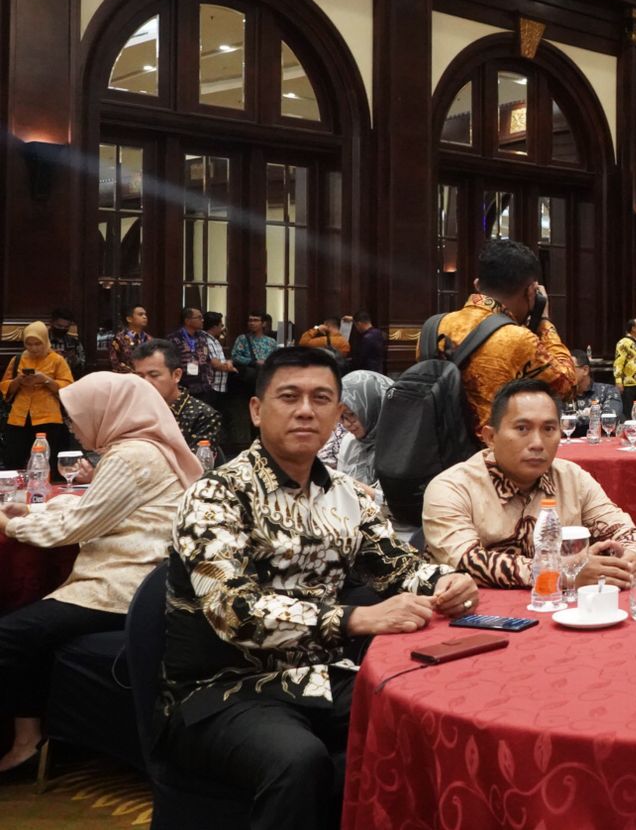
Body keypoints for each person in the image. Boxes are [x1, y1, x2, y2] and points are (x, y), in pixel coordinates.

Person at [160, 346, 476, 830]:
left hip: (321, 676)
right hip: (220, 689)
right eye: (289, 397)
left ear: (336, 413)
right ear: (256, 410)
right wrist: (354, 618)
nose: (306, 410)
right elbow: (233, 610)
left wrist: (447, 580)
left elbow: (397, 566)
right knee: (298, 760)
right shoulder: (216, 495)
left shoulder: (346, 493)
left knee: (426, 717)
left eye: (321, 398)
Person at [0, 373, 200, 775]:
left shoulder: (131, 456)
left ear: (106, 411)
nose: (72, 426)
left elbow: (77, 527)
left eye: (75, 415)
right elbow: (99, 508)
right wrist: (35, 511)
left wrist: (10, 525)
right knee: (31, 629)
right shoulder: (147, 448)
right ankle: (40, 737)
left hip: (121, 588)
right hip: (143, 583)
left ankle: (26, 742)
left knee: (11, 634)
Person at [423, 379, 636, 587]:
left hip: (564, 611)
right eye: (522, 428)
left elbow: (626, 532)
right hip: (480, 613)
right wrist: (560, 572)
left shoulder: (572, 478)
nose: (538, 443)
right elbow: (466, 561)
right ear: (490, 437)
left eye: (548, 429)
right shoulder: (451, 487)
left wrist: (631, 558)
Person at [426, 238, 576, 435]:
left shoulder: (434, 326)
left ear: (477, 285)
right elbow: (567, 385)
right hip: (490, 450)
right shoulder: (518, 339)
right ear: (531, 291)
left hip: (435, 447)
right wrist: (544, 320)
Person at [130, 339, 224, 458]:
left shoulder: (203, 415)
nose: (146, 382)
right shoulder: (131, 409)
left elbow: (195, 463)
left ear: (176, 375)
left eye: (154, 375)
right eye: (140, 376)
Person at [1, 321, 75, 469]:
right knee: (14, 460)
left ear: (45, 341)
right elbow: (5, 387)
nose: (33, 348)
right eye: (29, 344)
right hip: (19, 418)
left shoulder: (57, 360)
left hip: (48, 418)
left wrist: (45, 380)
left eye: (38, 344)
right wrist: (18, 380)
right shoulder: (17, 360)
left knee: (48, 461)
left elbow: (68, 388)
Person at [334, 370, 391, 491]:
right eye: (341, 417)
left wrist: (356, 489)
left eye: (351, 415)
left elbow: (397, 498)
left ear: (372, 409)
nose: (346, 424)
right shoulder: (350, 442)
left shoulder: (399, 446)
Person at [571, 351, 624, 434]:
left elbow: (609, 420)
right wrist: (593, 416)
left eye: (570, 368)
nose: (565, 372)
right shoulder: (562, 395)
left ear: (585, 370)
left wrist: (572, 420)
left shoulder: (608, 391)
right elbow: (557, 423)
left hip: (602, 441)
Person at [167, 308, 211, 396]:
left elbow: (207, 359)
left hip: (204, 386)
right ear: (187, 321)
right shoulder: (174, 338)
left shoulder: (202, 337)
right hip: (184, 387)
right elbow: (171, 363)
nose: (202, 320)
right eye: (199, 317)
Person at [199, 311, 236, 412]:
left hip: (219, 386)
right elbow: (215, 364)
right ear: (214, 327)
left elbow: (220, 359)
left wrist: (228, 362)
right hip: (211, 387)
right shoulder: (205, 340)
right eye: (221, 325)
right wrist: (230, 368)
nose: (222, 328)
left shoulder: (214, 340)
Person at [230, 311, 279, 376]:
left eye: (256, 320)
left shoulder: (271, 342)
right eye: (250, 320)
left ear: (264, 324)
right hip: (249, 375)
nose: (252, 323)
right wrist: (253, 362)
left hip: (266, 374)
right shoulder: (242, 339)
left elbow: (276, 358)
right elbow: (235, 357)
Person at [108, 303, 152, 374]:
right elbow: (114, 362)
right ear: (129, 319)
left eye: (145, 314)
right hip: (126, 378)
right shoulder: (118, 339)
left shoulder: (149, 339)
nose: (145, 317)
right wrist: (136, 373)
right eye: (140, 314)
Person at [47, 309, 86, 378]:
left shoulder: (74, 342)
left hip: (68, 378)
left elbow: (82, 365)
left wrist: (73, 358)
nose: (62, 329)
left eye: (66, 327)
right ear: (51, 323)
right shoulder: (42, 340)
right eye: (59, 326)